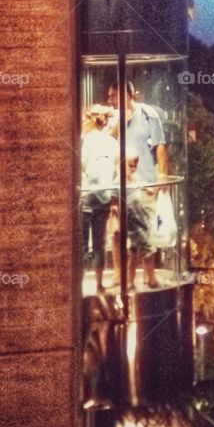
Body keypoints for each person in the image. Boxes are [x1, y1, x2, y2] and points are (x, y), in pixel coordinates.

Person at [81, 106, 119, 292]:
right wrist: (110, 197)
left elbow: (83, 166)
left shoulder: (85, 141)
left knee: (80, 243)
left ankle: (78, 283)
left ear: (91, 120)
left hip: (86, 196)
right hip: (103, 198)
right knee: (99, 243)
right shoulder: (112, 143)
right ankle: (98, 283)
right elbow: (115, 171)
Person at [125, 154, 160, 289]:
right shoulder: (121, 183)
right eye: (130, 165)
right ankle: (151, 279)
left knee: (133, 253)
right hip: (133, 222)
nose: (133, 169)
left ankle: (130, 281)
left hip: (141, 220)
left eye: (135, 166)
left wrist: (151, 190)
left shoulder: (135, 179)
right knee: (148, 249)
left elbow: (144, 188)